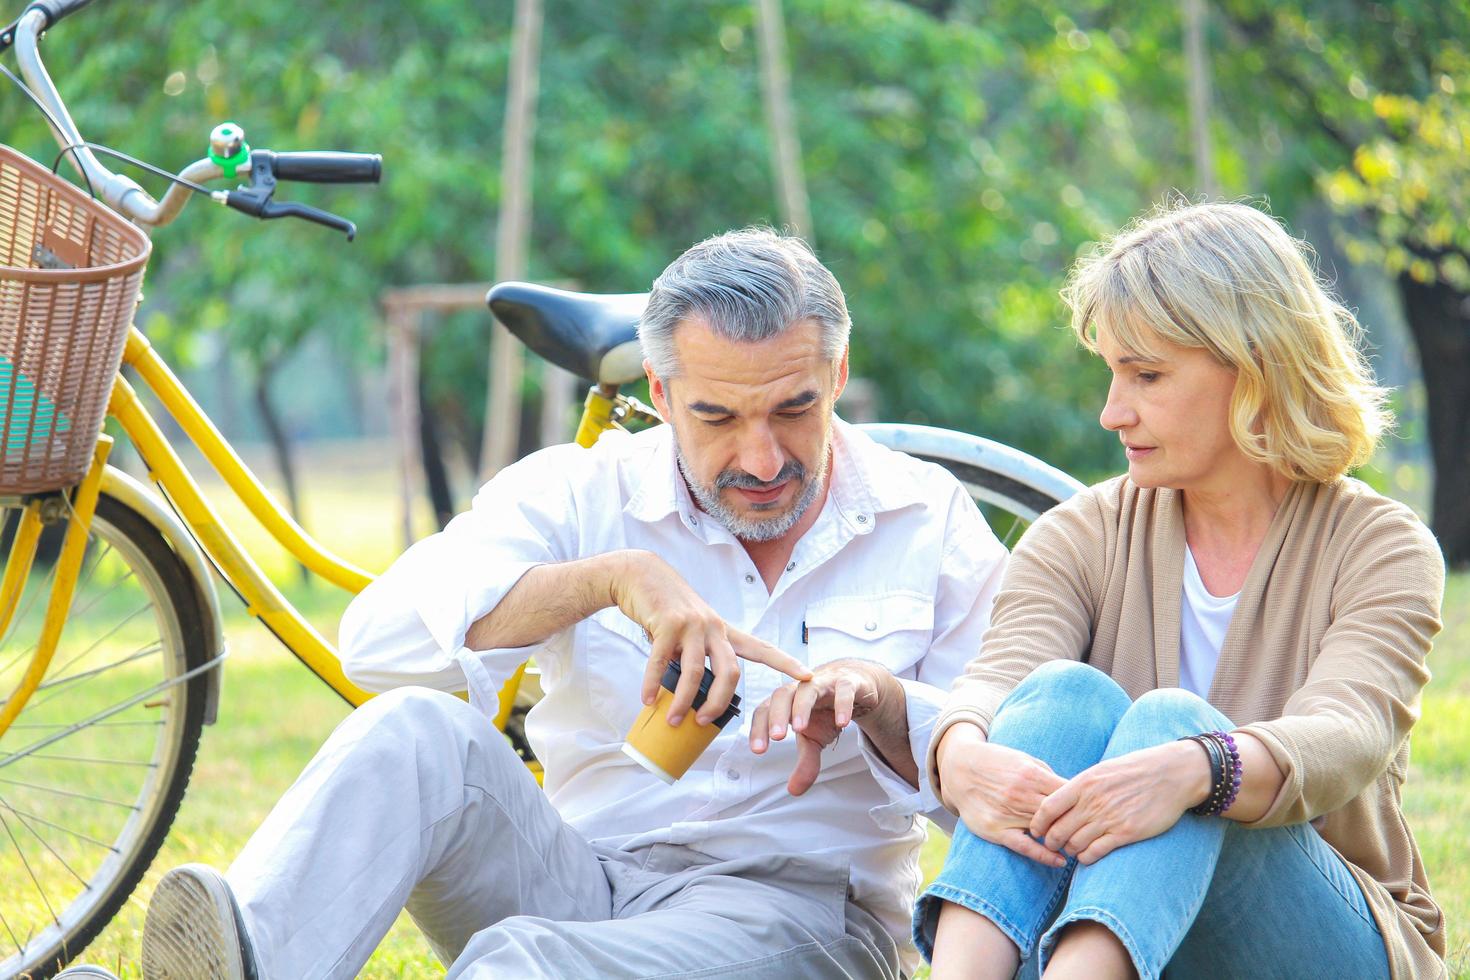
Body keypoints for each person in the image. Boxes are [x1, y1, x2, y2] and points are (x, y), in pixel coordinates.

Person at [140, 228, 1005, 979]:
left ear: (838, 373)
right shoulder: (584, 490)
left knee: (526, 964)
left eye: (794, 408)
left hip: (798, 918)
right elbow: (374, 643)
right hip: (582, 875)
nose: (765, 456)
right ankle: (249, 960)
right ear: (661, 397)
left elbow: (1006, 758)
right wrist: (608, 581)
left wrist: (881, 703)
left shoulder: (926, 517)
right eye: (717, 418)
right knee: (412, 730)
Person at [916, 201, 1447, 980]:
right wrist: (960, 751)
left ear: (1256, 367)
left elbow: (1349, 731)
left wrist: (1197, 768)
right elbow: (1002, 680)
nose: (1111, 411)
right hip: (1079, 938)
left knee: (1173, 726)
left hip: (1324, 944)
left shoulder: (1382, 544)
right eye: (1112, 372)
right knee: (1060, 695)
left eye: (1148, 375)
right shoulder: (1080, 532)